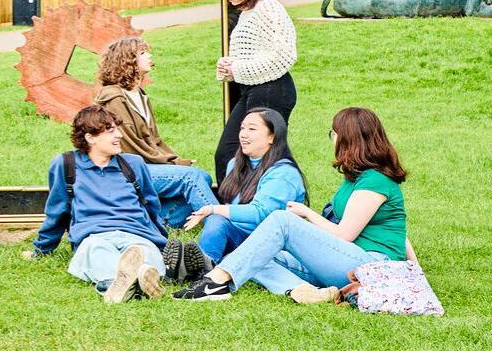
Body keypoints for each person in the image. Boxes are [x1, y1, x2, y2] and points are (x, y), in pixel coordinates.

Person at [175, 107, 412, 304]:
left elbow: (344, 235)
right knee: (254, 252)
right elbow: (402, 232)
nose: (334, 139)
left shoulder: (375, 181)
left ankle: (214, 282)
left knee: (281, 220)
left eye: (335, 133)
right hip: (346, 263)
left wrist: (306, 214)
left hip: (370, 266)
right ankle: (300, 290)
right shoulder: (357, 178)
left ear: (349, 138)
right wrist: (415, 268)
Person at [27, 105, 171, 304]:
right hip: (94, 235)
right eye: (111, 131)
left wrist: (161, 241)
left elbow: (151, 206)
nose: (119, 135)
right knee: (96, 251)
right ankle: (130, 280)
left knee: (144, 251)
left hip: (136, 234)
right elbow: (57, 210)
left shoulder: (133, 164)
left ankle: (123, 283)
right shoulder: (66, 164)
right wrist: (41, 249)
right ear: (90, 137)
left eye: (117, 129)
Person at [92, 36, 218, 229]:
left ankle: (158, 222)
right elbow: (130, 145)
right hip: (125, 168)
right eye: (142, 53)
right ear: (127, 61)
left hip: (145, 164)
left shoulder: (140, 95)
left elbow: (154, 140)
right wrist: (171, 163)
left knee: (203, 177)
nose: (149, 55)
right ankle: (221, 227)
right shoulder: (114, 98)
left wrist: (173, 159)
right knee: (191, 177)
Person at [184, 108, 307, 267]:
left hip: (271, 245)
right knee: (217, 221)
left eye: (252, 129)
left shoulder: (284, 173)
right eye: (242, 128)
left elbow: (261, 213)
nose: (243, 134)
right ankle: (196, 264)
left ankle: (201, 268)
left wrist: (213, 209)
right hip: (240, 237)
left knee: (216, 219)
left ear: (272, 137)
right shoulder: (235, 165)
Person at [211, 0, 297, 180]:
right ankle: (234, 205)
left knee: (265, 156)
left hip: (272, 89)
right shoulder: (248, 12)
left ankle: (260, 204)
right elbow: (253, 54)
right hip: (252, 90)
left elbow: (284, 56)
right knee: (230, 153)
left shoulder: (268, 8)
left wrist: (237, 68)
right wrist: (228, 65)